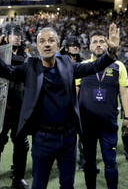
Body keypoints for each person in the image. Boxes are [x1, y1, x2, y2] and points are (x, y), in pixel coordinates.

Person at [0, 23, 120, 189]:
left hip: (68, 137)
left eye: (51, 40)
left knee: (67, 185)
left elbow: (93, 66)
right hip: (43, 138)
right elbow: (7, 72)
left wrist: (111, 52)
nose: (47, 44)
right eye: (43, 41)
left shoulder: (67, 64)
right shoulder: (30, 66)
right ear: (37, 46)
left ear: (58, 45)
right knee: (39, 184)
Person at [76, 29, 128, 189]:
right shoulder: (82, 66)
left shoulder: (118, 66)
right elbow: (74, 94)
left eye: (102, 41)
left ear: (107, 43)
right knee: (89, 162)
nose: (99, 45)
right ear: (89, 46)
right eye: (95, 42)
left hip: (109, 124)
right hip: (86, 125)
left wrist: (127, 118)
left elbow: (124, 92)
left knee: (110, 161)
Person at [0, 23, 30, 189]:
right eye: (14, 34)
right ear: (6, 36)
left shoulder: (27, 57)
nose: (17, 37)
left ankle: (18, 178)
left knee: (21, 144)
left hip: (20, 108)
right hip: (1, 107)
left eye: (20, 34)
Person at [59, 35, 86, 172]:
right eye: (71, 45)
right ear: (65, 47)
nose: (75, 47)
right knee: (65, 138)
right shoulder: (59, 62)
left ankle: (83, 162)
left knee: (83, 136)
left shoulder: (83, 63)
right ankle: (64, 163)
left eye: (76, 45)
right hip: (64, 106)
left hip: (81, 106)